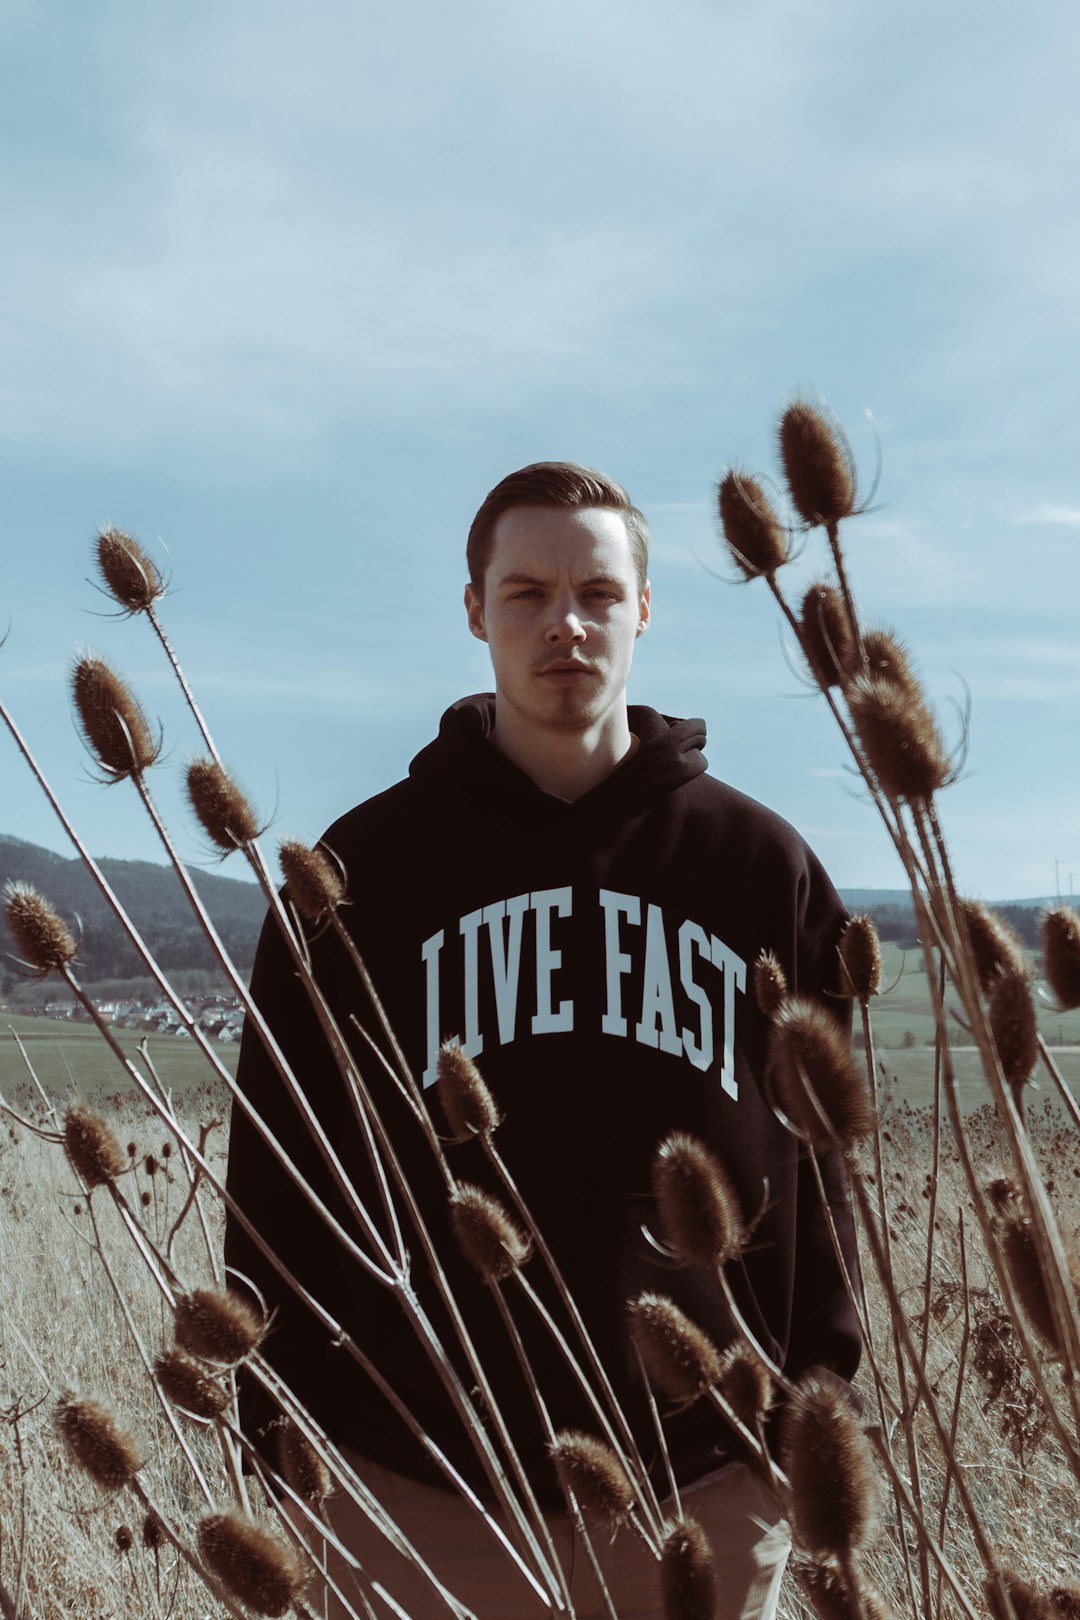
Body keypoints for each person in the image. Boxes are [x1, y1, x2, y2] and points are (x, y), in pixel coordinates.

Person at [224, 462, 861, 1620]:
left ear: (644, 609)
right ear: (474, 611)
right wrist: (285, 1422)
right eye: (525, 592)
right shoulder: (360, 875)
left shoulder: (760, 870)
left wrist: (808, 1424)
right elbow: (282, 1163)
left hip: (702, 1486)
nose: (564, 623)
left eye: (597, 593)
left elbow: (820, 1182)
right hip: (416, 1480)